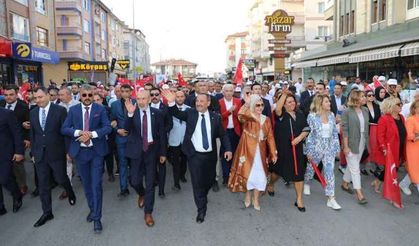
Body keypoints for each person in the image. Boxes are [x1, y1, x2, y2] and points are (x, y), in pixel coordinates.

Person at [162, 90, 232, 224]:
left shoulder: (215, 117)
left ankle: (203, 196)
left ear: (208, 103)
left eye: (201, 101)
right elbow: (176, 113)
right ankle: (201, 209)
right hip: (195, 156)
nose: (198, 103)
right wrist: (171, 102)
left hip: (210, 156)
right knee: (197, 183)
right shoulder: (190, 113)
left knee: (209, 180)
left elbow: (223, 135)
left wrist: (228, 149)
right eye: (197, 101)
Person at [61, 84, 111, 233]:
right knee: (87, 186)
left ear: (93, 95)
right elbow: (64, 128)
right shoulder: (73, 110)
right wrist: (78, 133)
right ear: (80, 96)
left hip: (96, 152)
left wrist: (91, 134)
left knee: (96, 185)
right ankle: (92, 209)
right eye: (84, 95)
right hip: (80, 154)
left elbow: (108, 127)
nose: (88, 98)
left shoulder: (100, 109)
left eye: (90, 95)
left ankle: (97, 218)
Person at [30, 87, 76, 228]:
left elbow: (66, 133)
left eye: (40, 97)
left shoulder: (60, 111)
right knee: (43, 184)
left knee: (61, 178)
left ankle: (70, 191)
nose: (38, 100)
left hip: (56, 152)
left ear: (48, 96)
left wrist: (69, 152)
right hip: (40, 154)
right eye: (35, 98)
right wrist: (32, 152)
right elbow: (33, 134)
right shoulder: (32, 112)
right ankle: (47, 212)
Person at [124, 90, 167, 227]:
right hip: (136, 152)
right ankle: (141, 193)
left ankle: (148, 212)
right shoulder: (132, 112)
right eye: (139, 98)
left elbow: (162, 135)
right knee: (134, 180)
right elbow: (126, 129)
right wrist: (130, 114)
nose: (141, 101)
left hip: (151, 152)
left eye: (144, 98)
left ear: (149, 99)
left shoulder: (158, 114)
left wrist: (163, 153)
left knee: (150, 183)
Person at [228, 94, 277, 210]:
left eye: (261, 105)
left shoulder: (267, 119)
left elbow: (270, 137)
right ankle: (248, 195)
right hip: (247, 151)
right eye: (257, 105)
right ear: (252, 106)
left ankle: (256, 199)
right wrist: (246, 103)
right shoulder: (248, 117)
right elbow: (240, 115)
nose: (260, 107)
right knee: (248, 175)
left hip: (261, 153)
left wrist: (273, 153)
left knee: (259, 176)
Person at [268, 91, 310, 212]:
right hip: (283, 149)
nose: (291, 104)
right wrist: (284, 95)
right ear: (283, 104)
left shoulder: (300, 114)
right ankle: (271, 184)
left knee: (299, 174)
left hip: (297, 149)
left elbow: (306, 128)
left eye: (293, 101)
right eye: (288, 102)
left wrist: (299, 138)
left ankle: (299, 199)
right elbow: (278, 108)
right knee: (277, 172)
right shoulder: (280, 115)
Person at [304, 95, 341, 210]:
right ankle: (306, 182)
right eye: (326, 102)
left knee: (330, 172)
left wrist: (337, 149)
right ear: (320, 103)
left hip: (329, 148)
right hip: (316, 148)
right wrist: (309, 151)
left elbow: (335, 133)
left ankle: (331, 198)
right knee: (310, 168)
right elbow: (310, 136)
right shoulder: (312, 117)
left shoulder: (331, 115)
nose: (329, 103)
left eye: (329, 102)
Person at [371, 97, 406, 196]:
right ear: (392, 106)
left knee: (392, 169)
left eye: (401, 103)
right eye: (399, 104)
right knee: (391, 169)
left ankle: (378, 181)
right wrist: (384, 148)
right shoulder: (384, 119)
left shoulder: (401, 117)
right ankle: (390, 192)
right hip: (390, 149)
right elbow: (380, 136)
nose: (401, 106)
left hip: (400, 147)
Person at [0, 85, 30, 195]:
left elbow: (29, 123)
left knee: (18, 165)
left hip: (18, 139)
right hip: (4, 141)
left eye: (11, 95)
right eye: (6, 95)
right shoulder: (1, 105)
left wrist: (27, 139)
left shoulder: (24, 106)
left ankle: (22, 185)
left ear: (16, 94)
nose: (8, 97)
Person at [341, 90, 369, 205]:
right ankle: (359, 193)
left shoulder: (365, 110)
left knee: (354, 164)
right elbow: (345, 130)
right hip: (351, 142)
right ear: (356, 98)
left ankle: (345, 183)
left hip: (362, 141)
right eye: (362, 96)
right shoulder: (347, 111)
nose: (365, 98)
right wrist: (346, 146)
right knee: (355, 168)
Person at [0, 108, 24, 216]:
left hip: (5, 152)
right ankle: (1, 206)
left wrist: (19, 151)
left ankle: (17, 194)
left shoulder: (7, 113)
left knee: (4, 179)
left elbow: (17, 132)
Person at [110, 84, 133, 198]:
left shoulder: (136, 103)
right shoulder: (114, 105)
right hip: (121, 139)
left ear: (130, 92)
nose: (124, 93)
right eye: (121, 91)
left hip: (133, 139)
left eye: (126, 91)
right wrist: (117, 129)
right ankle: (124, 188)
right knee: (123, 163)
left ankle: (134, 183)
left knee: (134, 163)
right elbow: (111, 120)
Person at [150, 87, 173, 198]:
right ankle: (154, 181)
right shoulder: (145, 108)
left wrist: (162, 132)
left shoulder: (166, 108)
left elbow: (170, 124)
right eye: (152, 94)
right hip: (148, 144)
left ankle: (161, 190)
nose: (154, 96)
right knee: (151, 166)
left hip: (161, 142)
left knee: (162, 165)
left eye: (156, 94)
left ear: (160, 96)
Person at [218, 84, 242, 186]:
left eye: (230, 91)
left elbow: (241, 116)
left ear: (233, 92)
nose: (228, 93)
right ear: (223, 92)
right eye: (226, 91)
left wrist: (236, 112)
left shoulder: (238, 101)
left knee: (235, 155)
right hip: (224, 132)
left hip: (236, 131)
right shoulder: (219, 102)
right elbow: (219, 118)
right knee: (225, 155)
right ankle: (225, 177)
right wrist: (229, 111)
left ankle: (234, 176)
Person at [167, 91, 190, 191]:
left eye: (182, 96)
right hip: (173, 139)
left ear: (184, 98)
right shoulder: (169, 109)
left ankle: (182, 175)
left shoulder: (189, 110)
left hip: (185, 140)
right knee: (175, 162)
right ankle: (176, 183)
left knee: (184, 160)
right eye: (178, 96)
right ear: (174, 97)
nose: (180, 98)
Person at [399, 100, 419, 195]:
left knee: (415, 169)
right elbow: (410, 136)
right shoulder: (411, 120)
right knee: (415, 168)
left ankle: (403, 184)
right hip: (413, 148)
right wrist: (417, 135)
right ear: (414, 109)